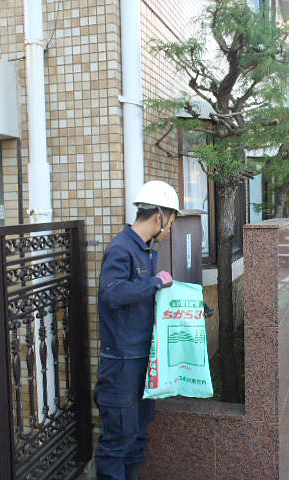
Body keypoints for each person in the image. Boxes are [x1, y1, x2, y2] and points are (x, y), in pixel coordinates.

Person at [94, 180, 180, 480]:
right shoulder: (122, 248)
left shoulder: (144, 250)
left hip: (143, 356)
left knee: (138, 436)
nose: (170, 228)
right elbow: (113, 293)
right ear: (159, 215)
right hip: (122, 362)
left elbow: (141, 297)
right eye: (171, 220)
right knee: (118, 439)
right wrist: (156, 282)